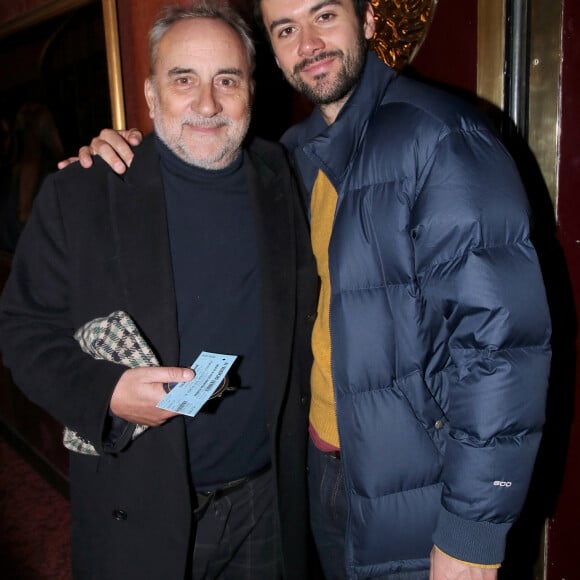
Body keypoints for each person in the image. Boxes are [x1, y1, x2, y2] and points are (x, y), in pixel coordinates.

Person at [62, 0, 553, 578]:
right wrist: (117, 153)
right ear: (272, 51)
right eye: (286, 29)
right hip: (320, 477)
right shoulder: (288, 160)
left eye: (324, 16)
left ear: (368, 21)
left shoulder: (441, 138)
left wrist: (472, 531)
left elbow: (501, 348)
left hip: (420, 488)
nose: (309, 43)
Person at [0, 3, 318, 579]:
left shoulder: (282, 176)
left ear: (252, 90)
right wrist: (108, 395)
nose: (206, 104)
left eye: (227, 79)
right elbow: (23, 331)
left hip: (266, 502)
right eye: (183, 80)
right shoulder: (83, 194)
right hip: (141, 509)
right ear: (149, 95)